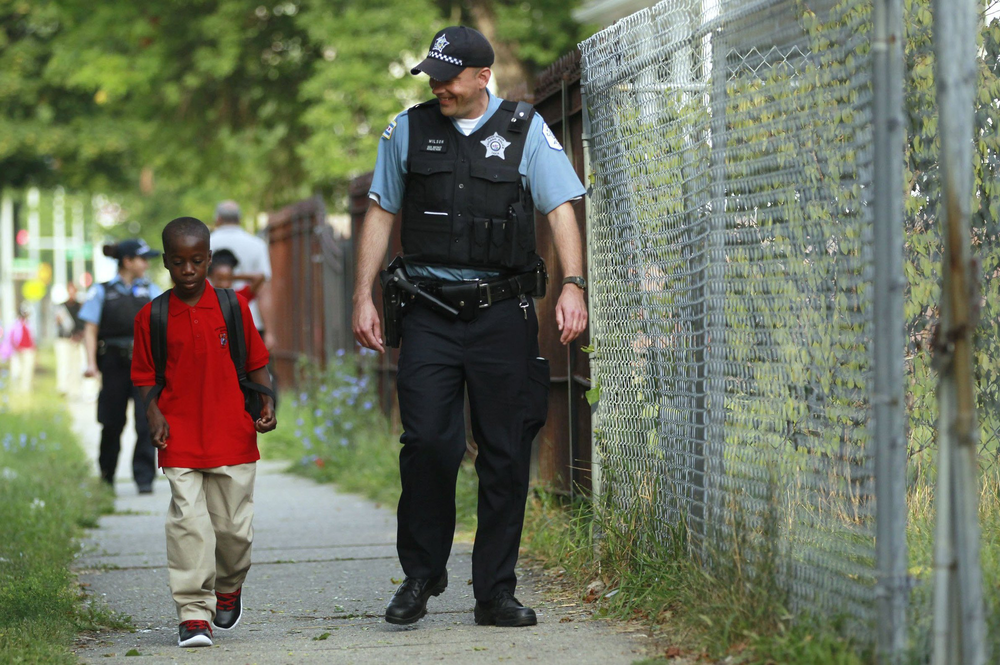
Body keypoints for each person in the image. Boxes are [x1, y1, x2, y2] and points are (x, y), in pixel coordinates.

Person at [352, 26, 588, 628]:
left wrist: (572, 285)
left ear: (483, 77)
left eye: (449, 76)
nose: (438, 85)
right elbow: (380, 211)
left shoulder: (525, 129)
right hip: (427, 311)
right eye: (433, 74)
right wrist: (363, 295)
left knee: (506, 452)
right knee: (429, 442)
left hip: (501, 313)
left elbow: (561, 208)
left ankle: (495, 593)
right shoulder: (406, 130)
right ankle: (422, 573)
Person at [132, 216, 276, 648]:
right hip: (179, 438)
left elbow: (256, 363)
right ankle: (194, 613)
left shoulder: (232, 307)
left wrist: (267, 401)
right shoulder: (152, 316)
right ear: (166, 262)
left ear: (209, 259)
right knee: (188, 525)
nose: (189, 270)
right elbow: (145, 378)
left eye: (197, 260)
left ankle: (228, 585)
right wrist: (153, 414)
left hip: (232, 433)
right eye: (179, 262)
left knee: (233, 531)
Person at [81, 239, 162, 493]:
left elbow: (164, 327)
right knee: (112, 421)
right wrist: (92, 364)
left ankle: (145, 478)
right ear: (127, 261)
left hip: (145, 364)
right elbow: (90, 329)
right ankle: (107, 476)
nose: (146, 264)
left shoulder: (151, 290)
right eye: (142, 258)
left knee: (146, 420)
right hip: (114, 363)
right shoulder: (102, 291)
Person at [210, 201, 273, 348]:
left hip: (212, 325)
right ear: (239, 219)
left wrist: (223, 277)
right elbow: (263, 291)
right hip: (251, 322)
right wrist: (270, 332)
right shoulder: (257, 244)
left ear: (218, 219)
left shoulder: (206, 244)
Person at [54, 283, 86, 397]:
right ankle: (63, 388)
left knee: (76, 365)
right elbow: (59, 323)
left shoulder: (80, 306)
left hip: (77, 340)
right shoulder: (61, 307)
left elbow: (82, 323)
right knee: (64, 364)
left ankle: (75, 390)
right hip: (64, 339)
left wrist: (78, 335)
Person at [8, 304, 37, 393]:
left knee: (27, 371)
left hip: (28, 350)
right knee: (17, 371)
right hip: (18, 351)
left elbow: (32, 338)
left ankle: (25, 390)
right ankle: (16, 390)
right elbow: (11, 337)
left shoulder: (30, 323)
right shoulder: (15, 323)